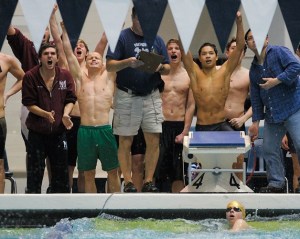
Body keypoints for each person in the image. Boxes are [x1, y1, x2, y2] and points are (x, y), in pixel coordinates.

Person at [106, 7, 170, 193]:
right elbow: (109, 66)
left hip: (151, 95)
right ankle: (128, 181)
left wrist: (158, 67)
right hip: (127, 95)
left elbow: (168, 68)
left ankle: (149, 181)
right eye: (141, 21)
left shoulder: (157, 39)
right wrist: (128, 62)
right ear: (133, 18)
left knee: (153, 139)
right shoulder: (122, 37)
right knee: (125, 140)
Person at [61, 22, 120, 193]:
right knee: (88, 173)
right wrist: (65, 30)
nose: (94, 58)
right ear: (85, 63)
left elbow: (110, 46)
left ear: (103, 64)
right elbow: (68, 52)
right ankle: (93, 212)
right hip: (85, 131)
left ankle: (116, 209)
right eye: (90, 58)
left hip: (104, 130)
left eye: (97, 58)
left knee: (113, 171)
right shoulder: (80, 78)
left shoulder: (109, 76)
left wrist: (114, 23)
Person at [246, 29, 300, 193]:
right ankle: (277, 183)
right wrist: (255, 122)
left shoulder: (279, 51)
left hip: (293, 108)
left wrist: (276, 81)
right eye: (249, 38)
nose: (254, 40)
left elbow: (296, 66)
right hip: (273, 114)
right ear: (247, 44)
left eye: (257, 36)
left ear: (267, 39)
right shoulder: (253, 69)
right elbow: (255, 97)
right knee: (269, 148)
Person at [22, 43, 76, 193]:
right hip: (37, 133)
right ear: (40, 58)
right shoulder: (30, 76)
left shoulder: (65, 75)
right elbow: (29, 104)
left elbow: (71, 99)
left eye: (53, 53)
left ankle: (62, 213)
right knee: (35, 175)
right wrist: (45, 114)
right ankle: (33, 212)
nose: (50, 56)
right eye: (46, 54)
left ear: (57, 58)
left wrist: (65, 114)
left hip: (58, 133)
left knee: (61, 177)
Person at [6, 24, 53, 192]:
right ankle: (32, 188)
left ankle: (53, 188)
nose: (42, 32)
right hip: (30, 106)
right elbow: (9, 29)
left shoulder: (55, 49)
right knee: (32, 149)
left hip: (54, 106)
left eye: (45, 28)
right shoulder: (27, 46)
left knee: (52, 150)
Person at [181, 12, 245, 131]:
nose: (208, 56)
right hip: (202, 125)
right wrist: (182, 22)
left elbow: (240, 46)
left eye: (211, 53)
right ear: (199, 58)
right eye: (204, 54)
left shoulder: (225, 71)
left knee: (238, 149)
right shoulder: (195, 73)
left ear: (216, 57)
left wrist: (239, 22)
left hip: (221, 124)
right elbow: (183, 47)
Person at [155, 38, 195, 193]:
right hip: (160, 125)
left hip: (179, 125)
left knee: (178, 171)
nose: (173, 51)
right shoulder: (159, 74)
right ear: (166, 52)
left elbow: (191, 105)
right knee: (157, 168)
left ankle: (177, 207)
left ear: (181, 52)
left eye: (177, 48)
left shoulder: (188, 75)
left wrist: (185, 130)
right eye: (170, 48)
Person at [224, 38, 252, 180]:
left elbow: (258, 102)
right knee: (217, 162)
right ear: (227, 52)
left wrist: (244, 119)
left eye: (240, 49)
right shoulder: (217, 72)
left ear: (244, 54)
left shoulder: (248, 74)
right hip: (217, 123)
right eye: (233, 48)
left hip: (237, 123)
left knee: (238, 162)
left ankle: (239, 195)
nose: (237, 52)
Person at [0, 53, 24, 193]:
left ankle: (0, 206)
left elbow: (23, 77)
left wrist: (7, 94)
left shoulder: (6, 60)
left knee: (0, 163)